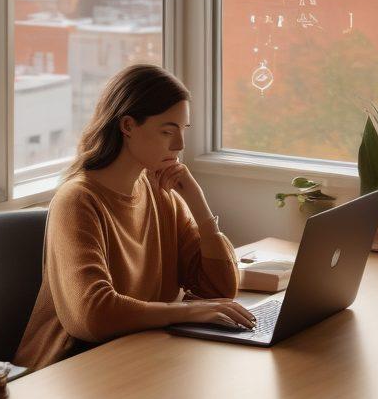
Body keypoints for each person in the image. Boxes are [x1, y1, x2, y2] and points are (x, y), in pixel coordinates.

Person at [14, 63, 255, 370]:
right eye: (167, 131)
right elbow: (92, 315)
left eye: (183, 130)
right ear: (127, 126)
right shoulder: (78, 200)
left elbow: (218, 291)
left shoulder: (160, 193)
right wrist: (185, 312)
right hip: (71, 370)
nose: (180, 145)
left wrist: (199, 205)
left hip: (135, 358)